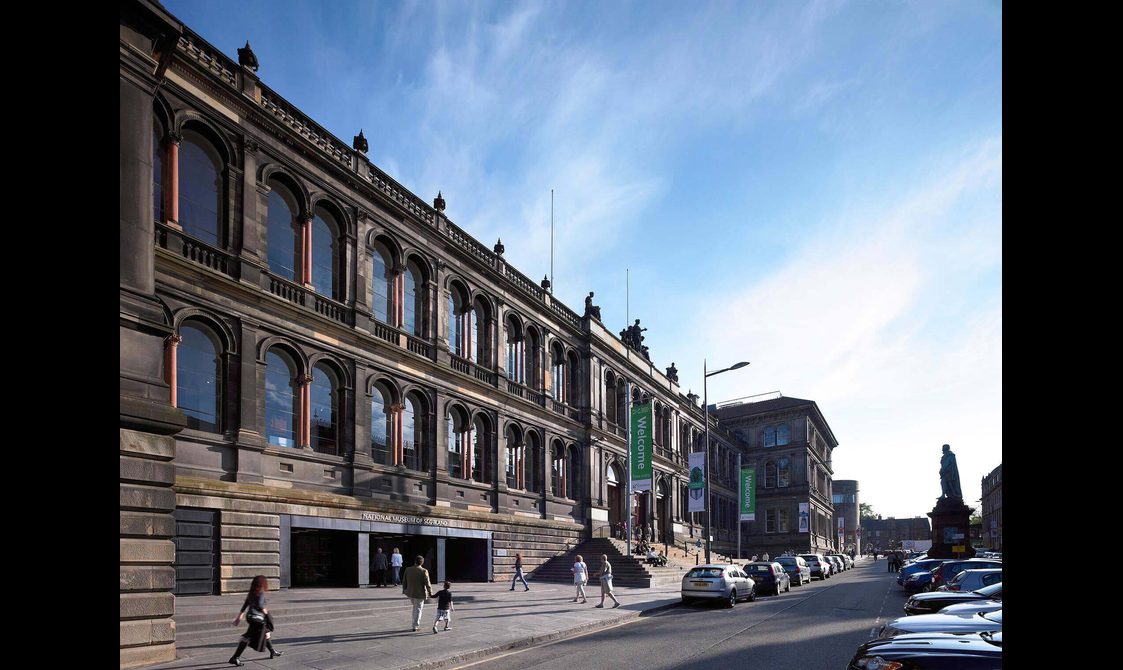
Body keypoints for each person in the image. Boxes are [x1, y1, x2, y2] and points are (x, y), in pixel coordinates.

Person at [229, 575, 283, 666]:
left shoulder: (251, 592)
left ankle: (272, 651)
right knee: (247, 637)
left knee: (266, 633)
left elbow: (245, 605)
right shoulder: (260, 593)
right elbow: (260, 605)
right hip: (257, 619)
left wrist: (239, 617)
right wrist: (266, 614)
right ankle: (235, 657)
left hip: (250, 617)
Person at [402, 555, 434, 632]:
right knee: (418, 609)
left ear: (415, 561)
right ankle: (415, 626)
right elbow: (427, 583)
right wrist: (430, 593)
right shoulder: (424, 571)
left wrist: (405, 590)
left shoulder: (408, 569)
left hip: (410, 593)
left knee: (415, 608)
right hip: (419, 593)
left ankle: (414, 623)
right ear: (422, 562)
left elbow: (404, 581)